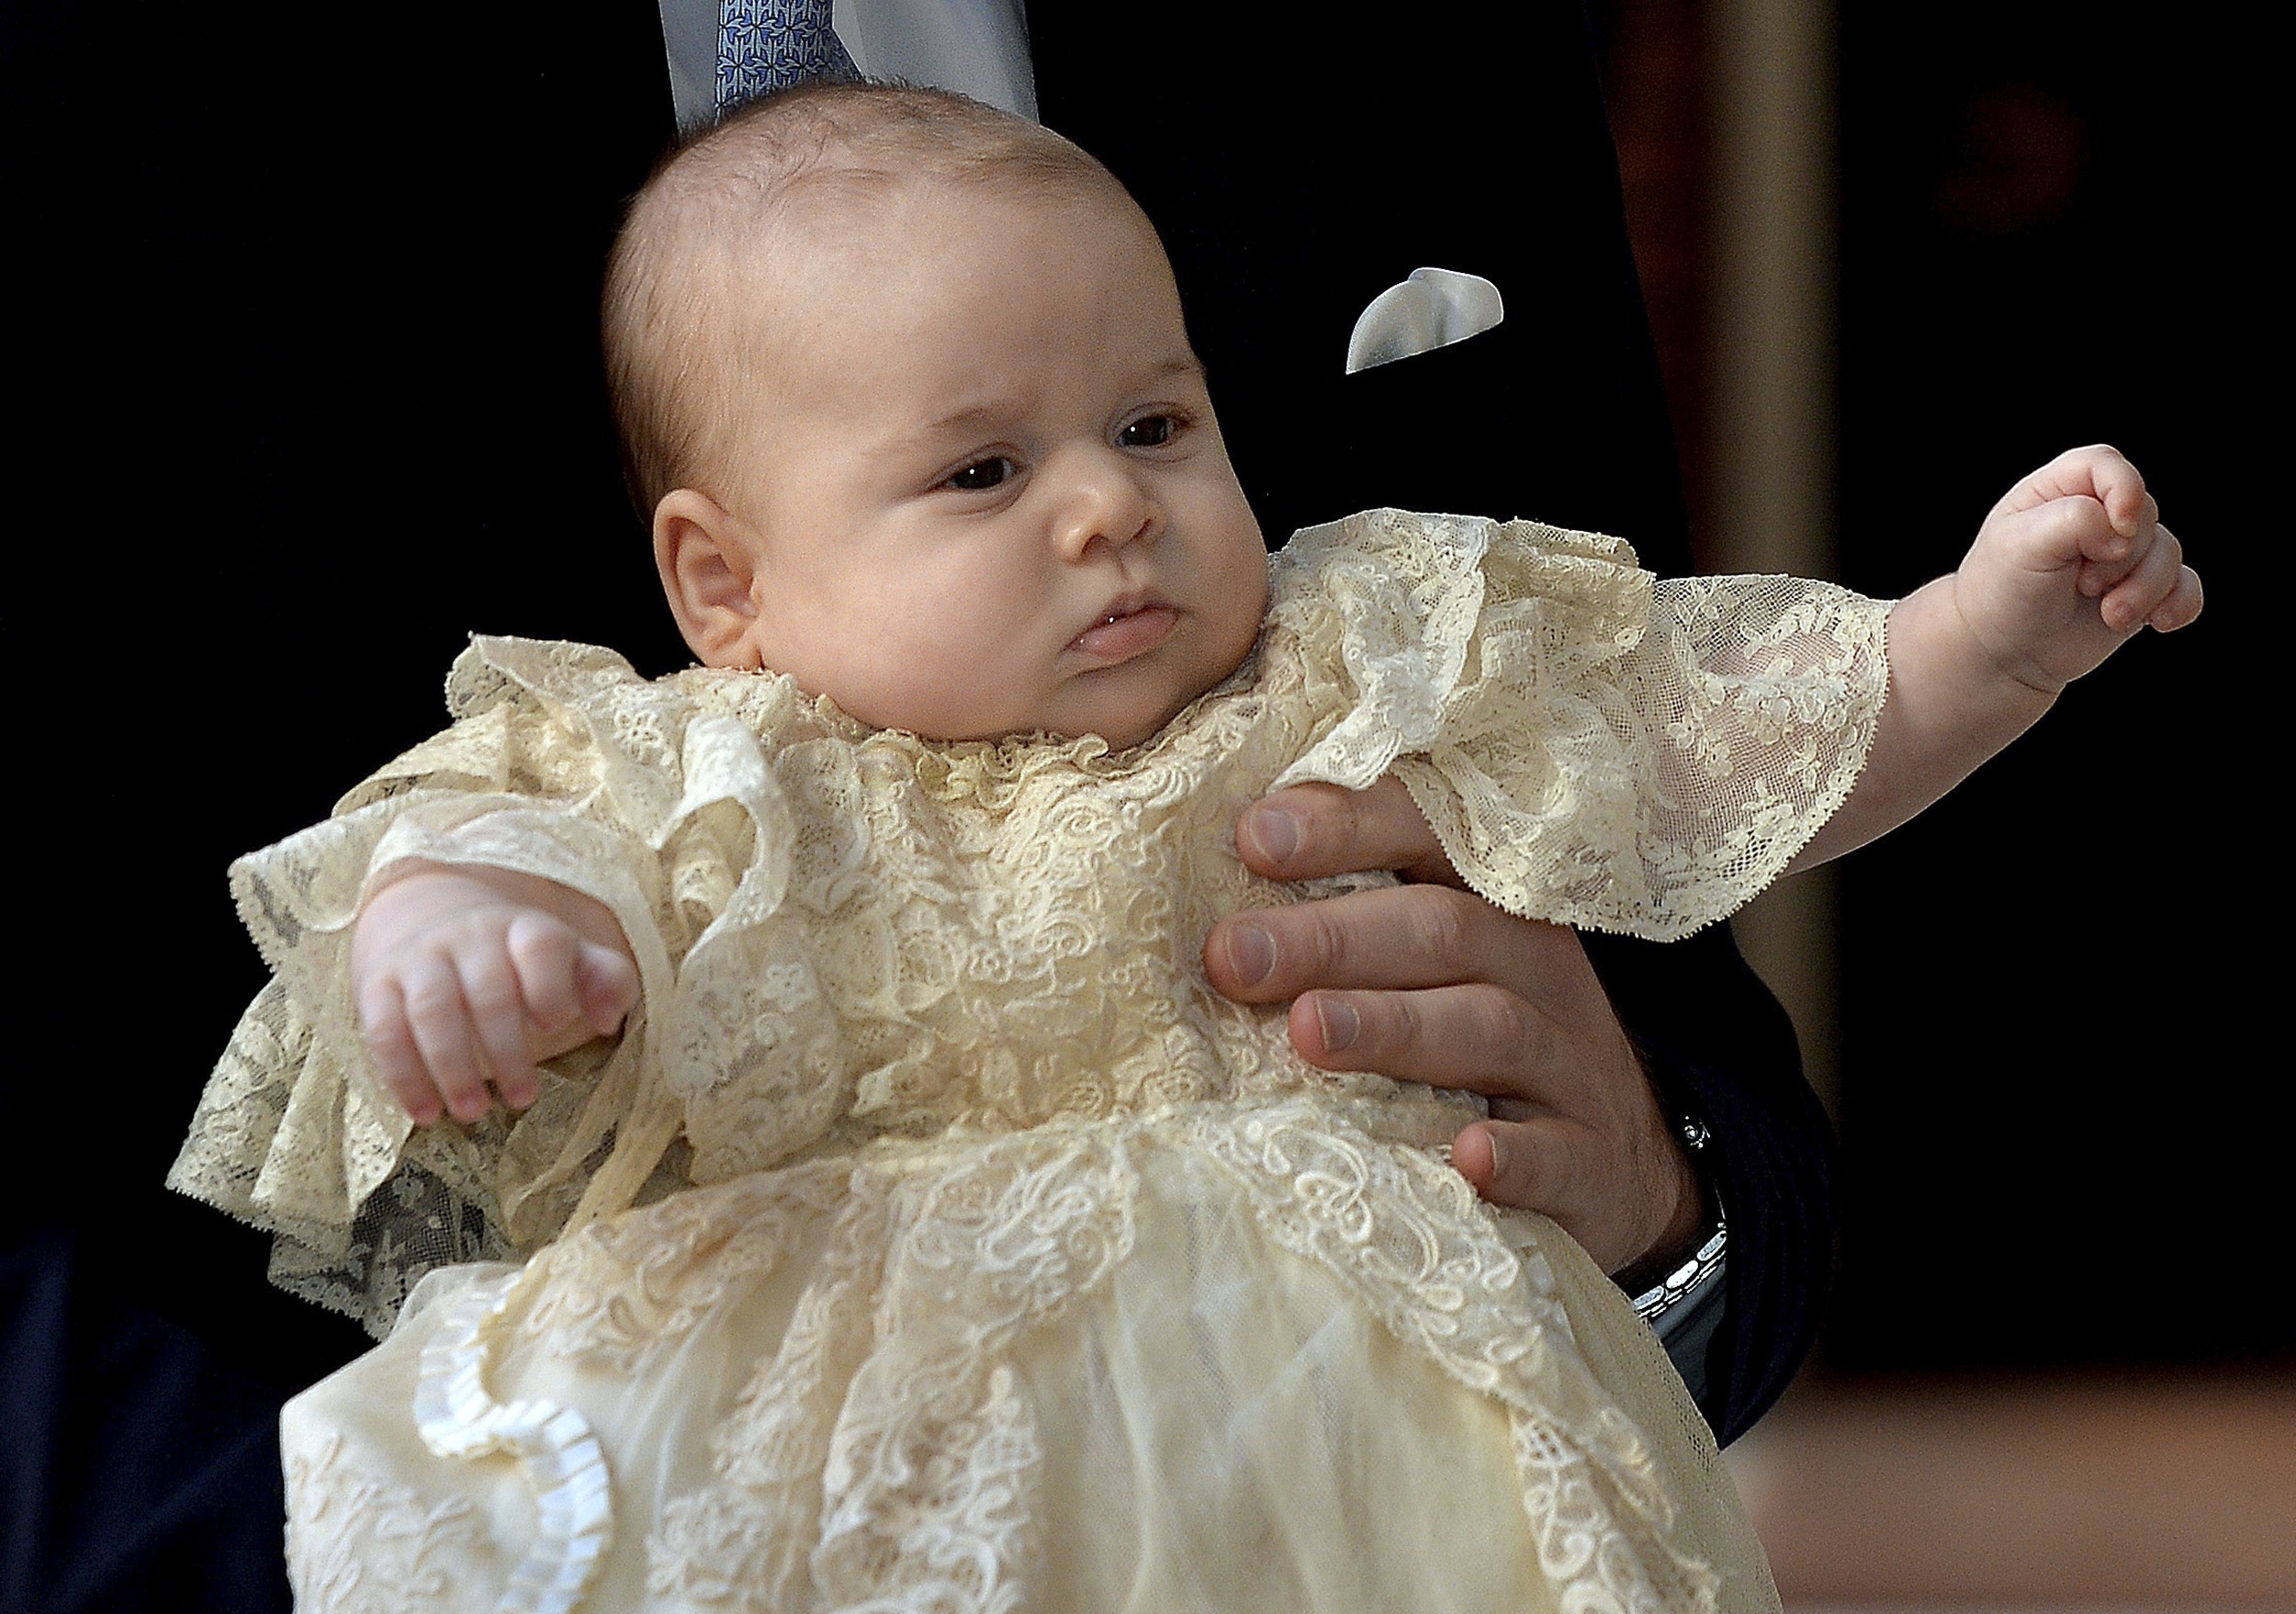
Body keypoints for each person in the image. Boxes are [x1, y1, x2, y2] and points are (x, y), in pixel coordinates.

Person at [168, 85, 2197, 1612]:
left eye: (1150, 428)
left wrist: (1975, 642)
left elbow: (1706, 738)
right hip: (877, 1458)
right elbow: (478, 831)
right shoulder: (716, 770)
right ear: (722, 585)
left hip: (1363, 1459)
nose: (1103, 513)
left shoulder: (1347, 656)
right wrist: (475, 919)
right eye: (981, 470)